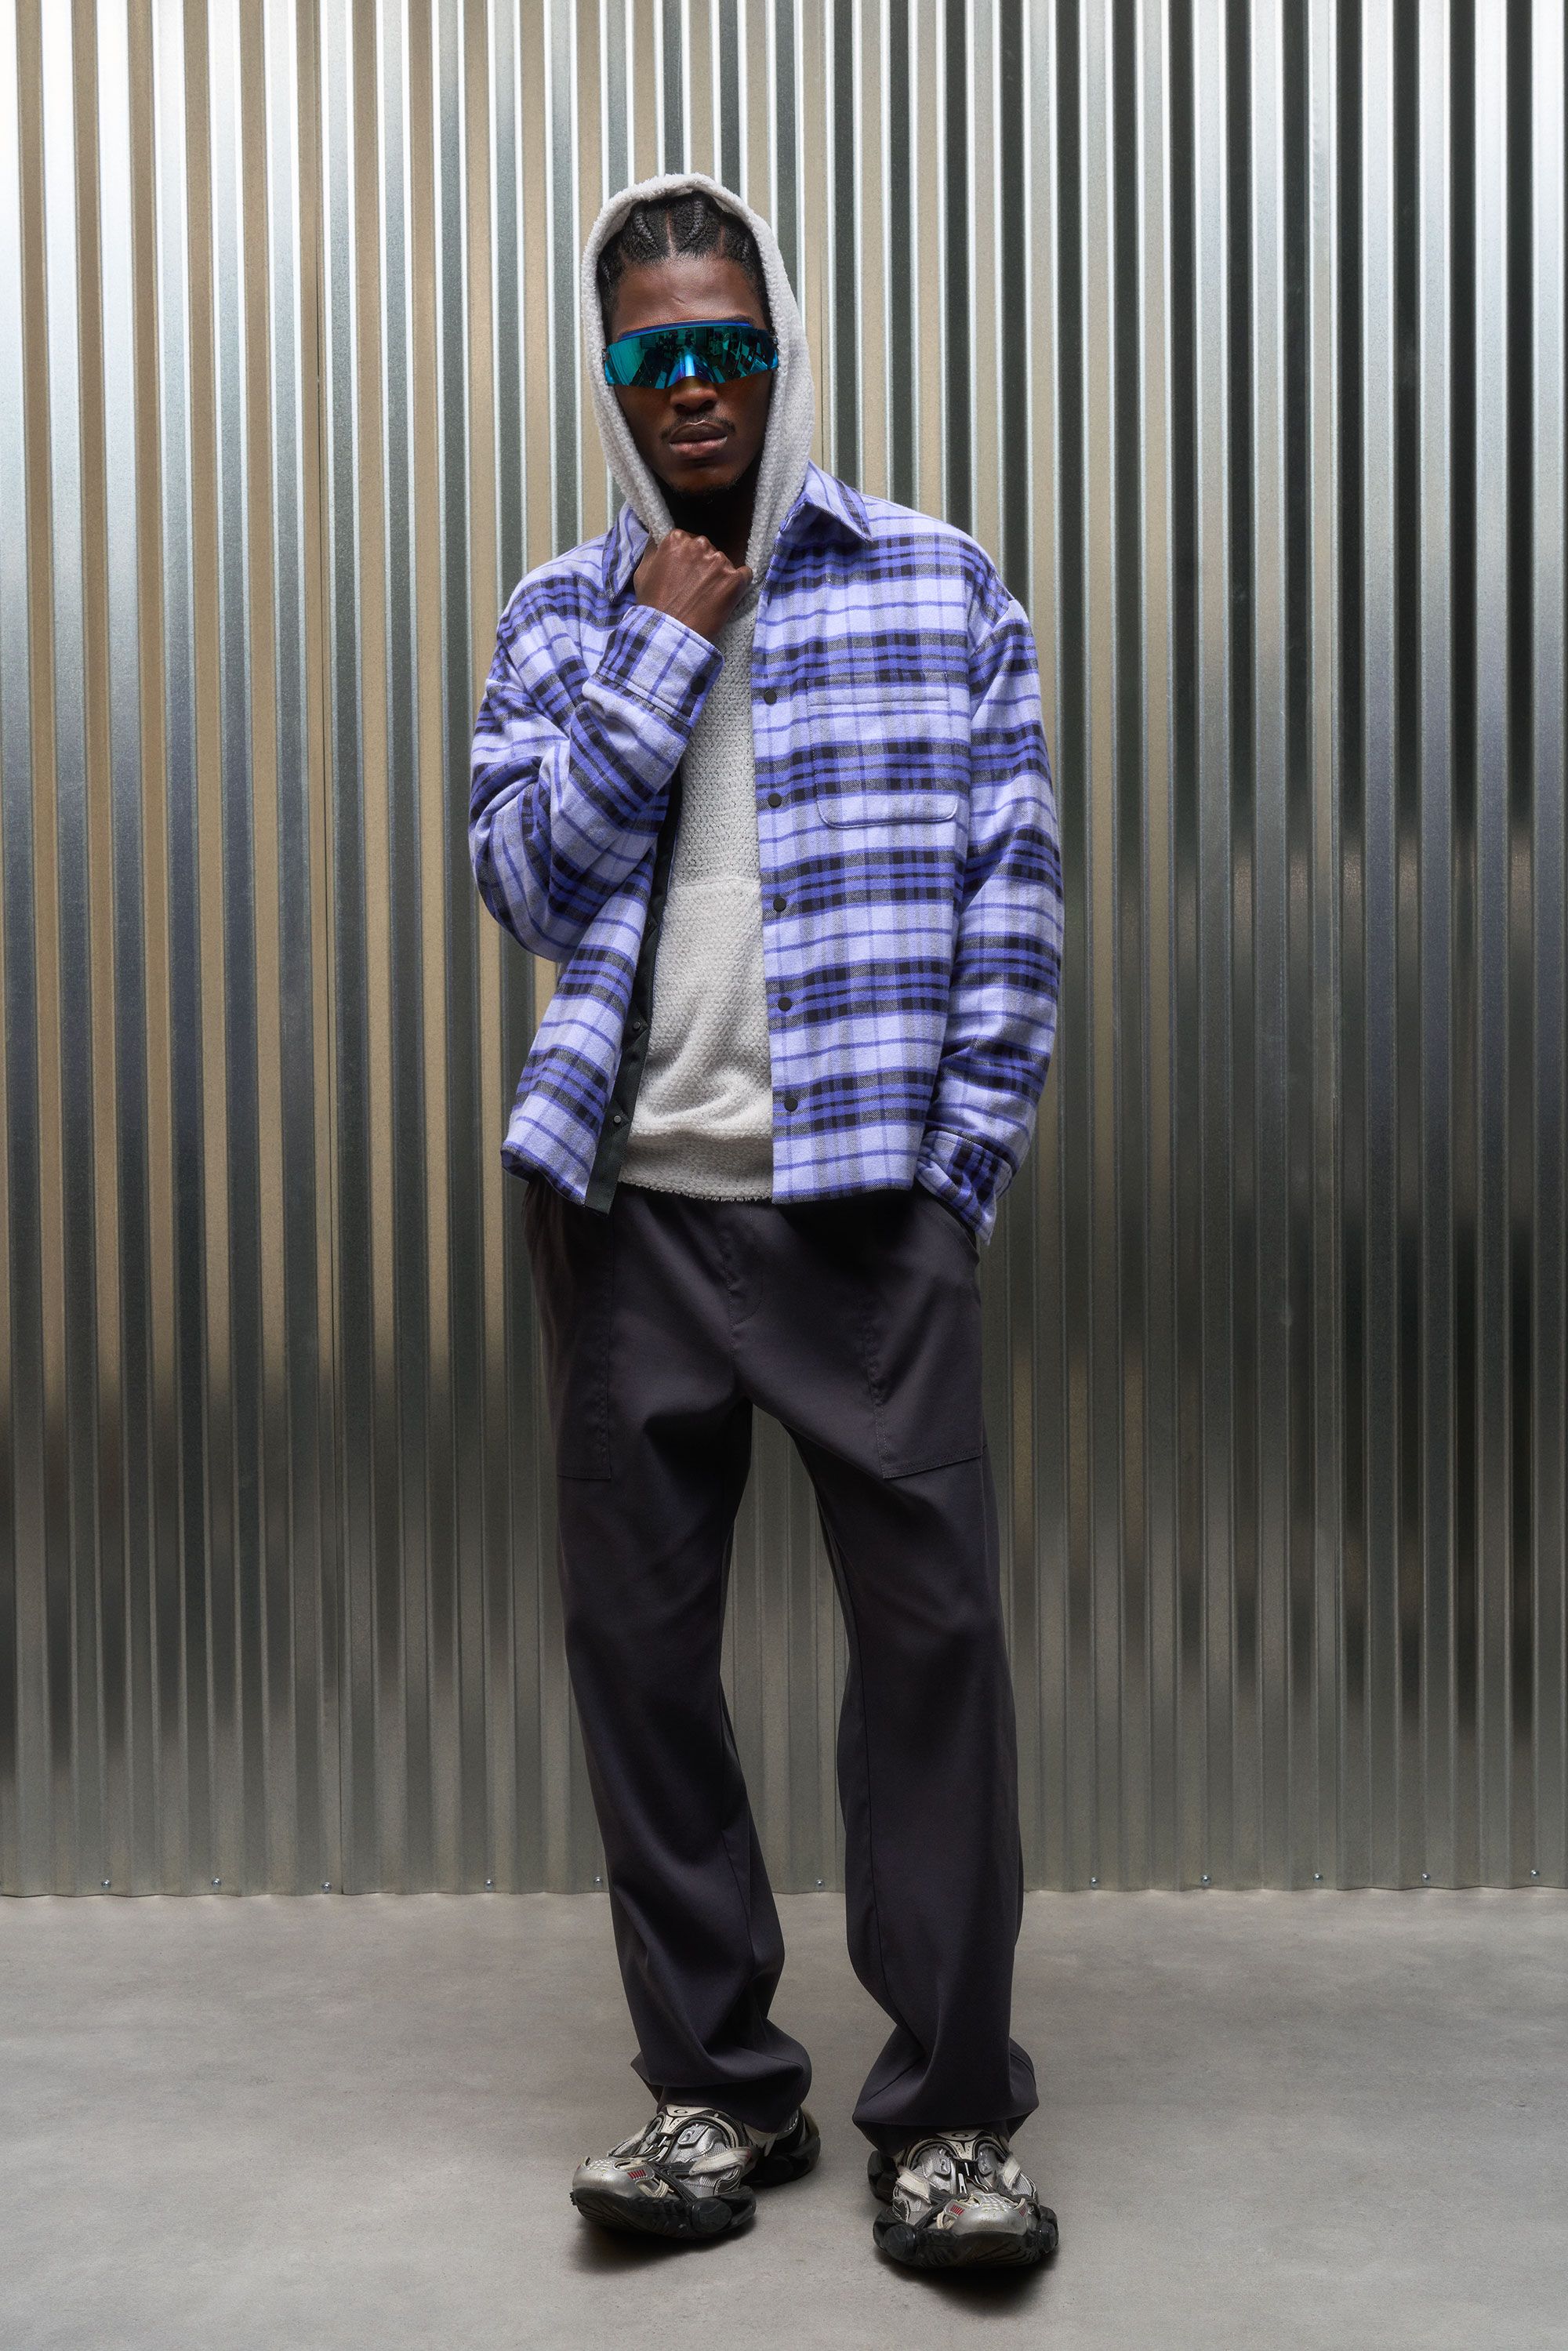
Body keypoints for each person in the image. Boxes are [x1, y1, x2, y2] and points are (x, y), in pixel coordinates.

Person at [468, 170, 1063, 2272]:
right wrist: (660, 641)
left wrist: (950, 1184)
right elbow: (527, 883)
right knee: (641, 1664)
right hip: (628, 1214)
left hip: (861, 1221)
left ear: (782, 347)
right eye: (657, 354)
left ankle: (951, 2123)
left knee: (934, 1663)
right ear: (609, 374)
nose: (697, 383)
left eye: (730, 342)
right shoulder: (565, 610)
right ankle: (717, 2094)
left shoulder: (936, 581)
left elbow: (1015, 903)